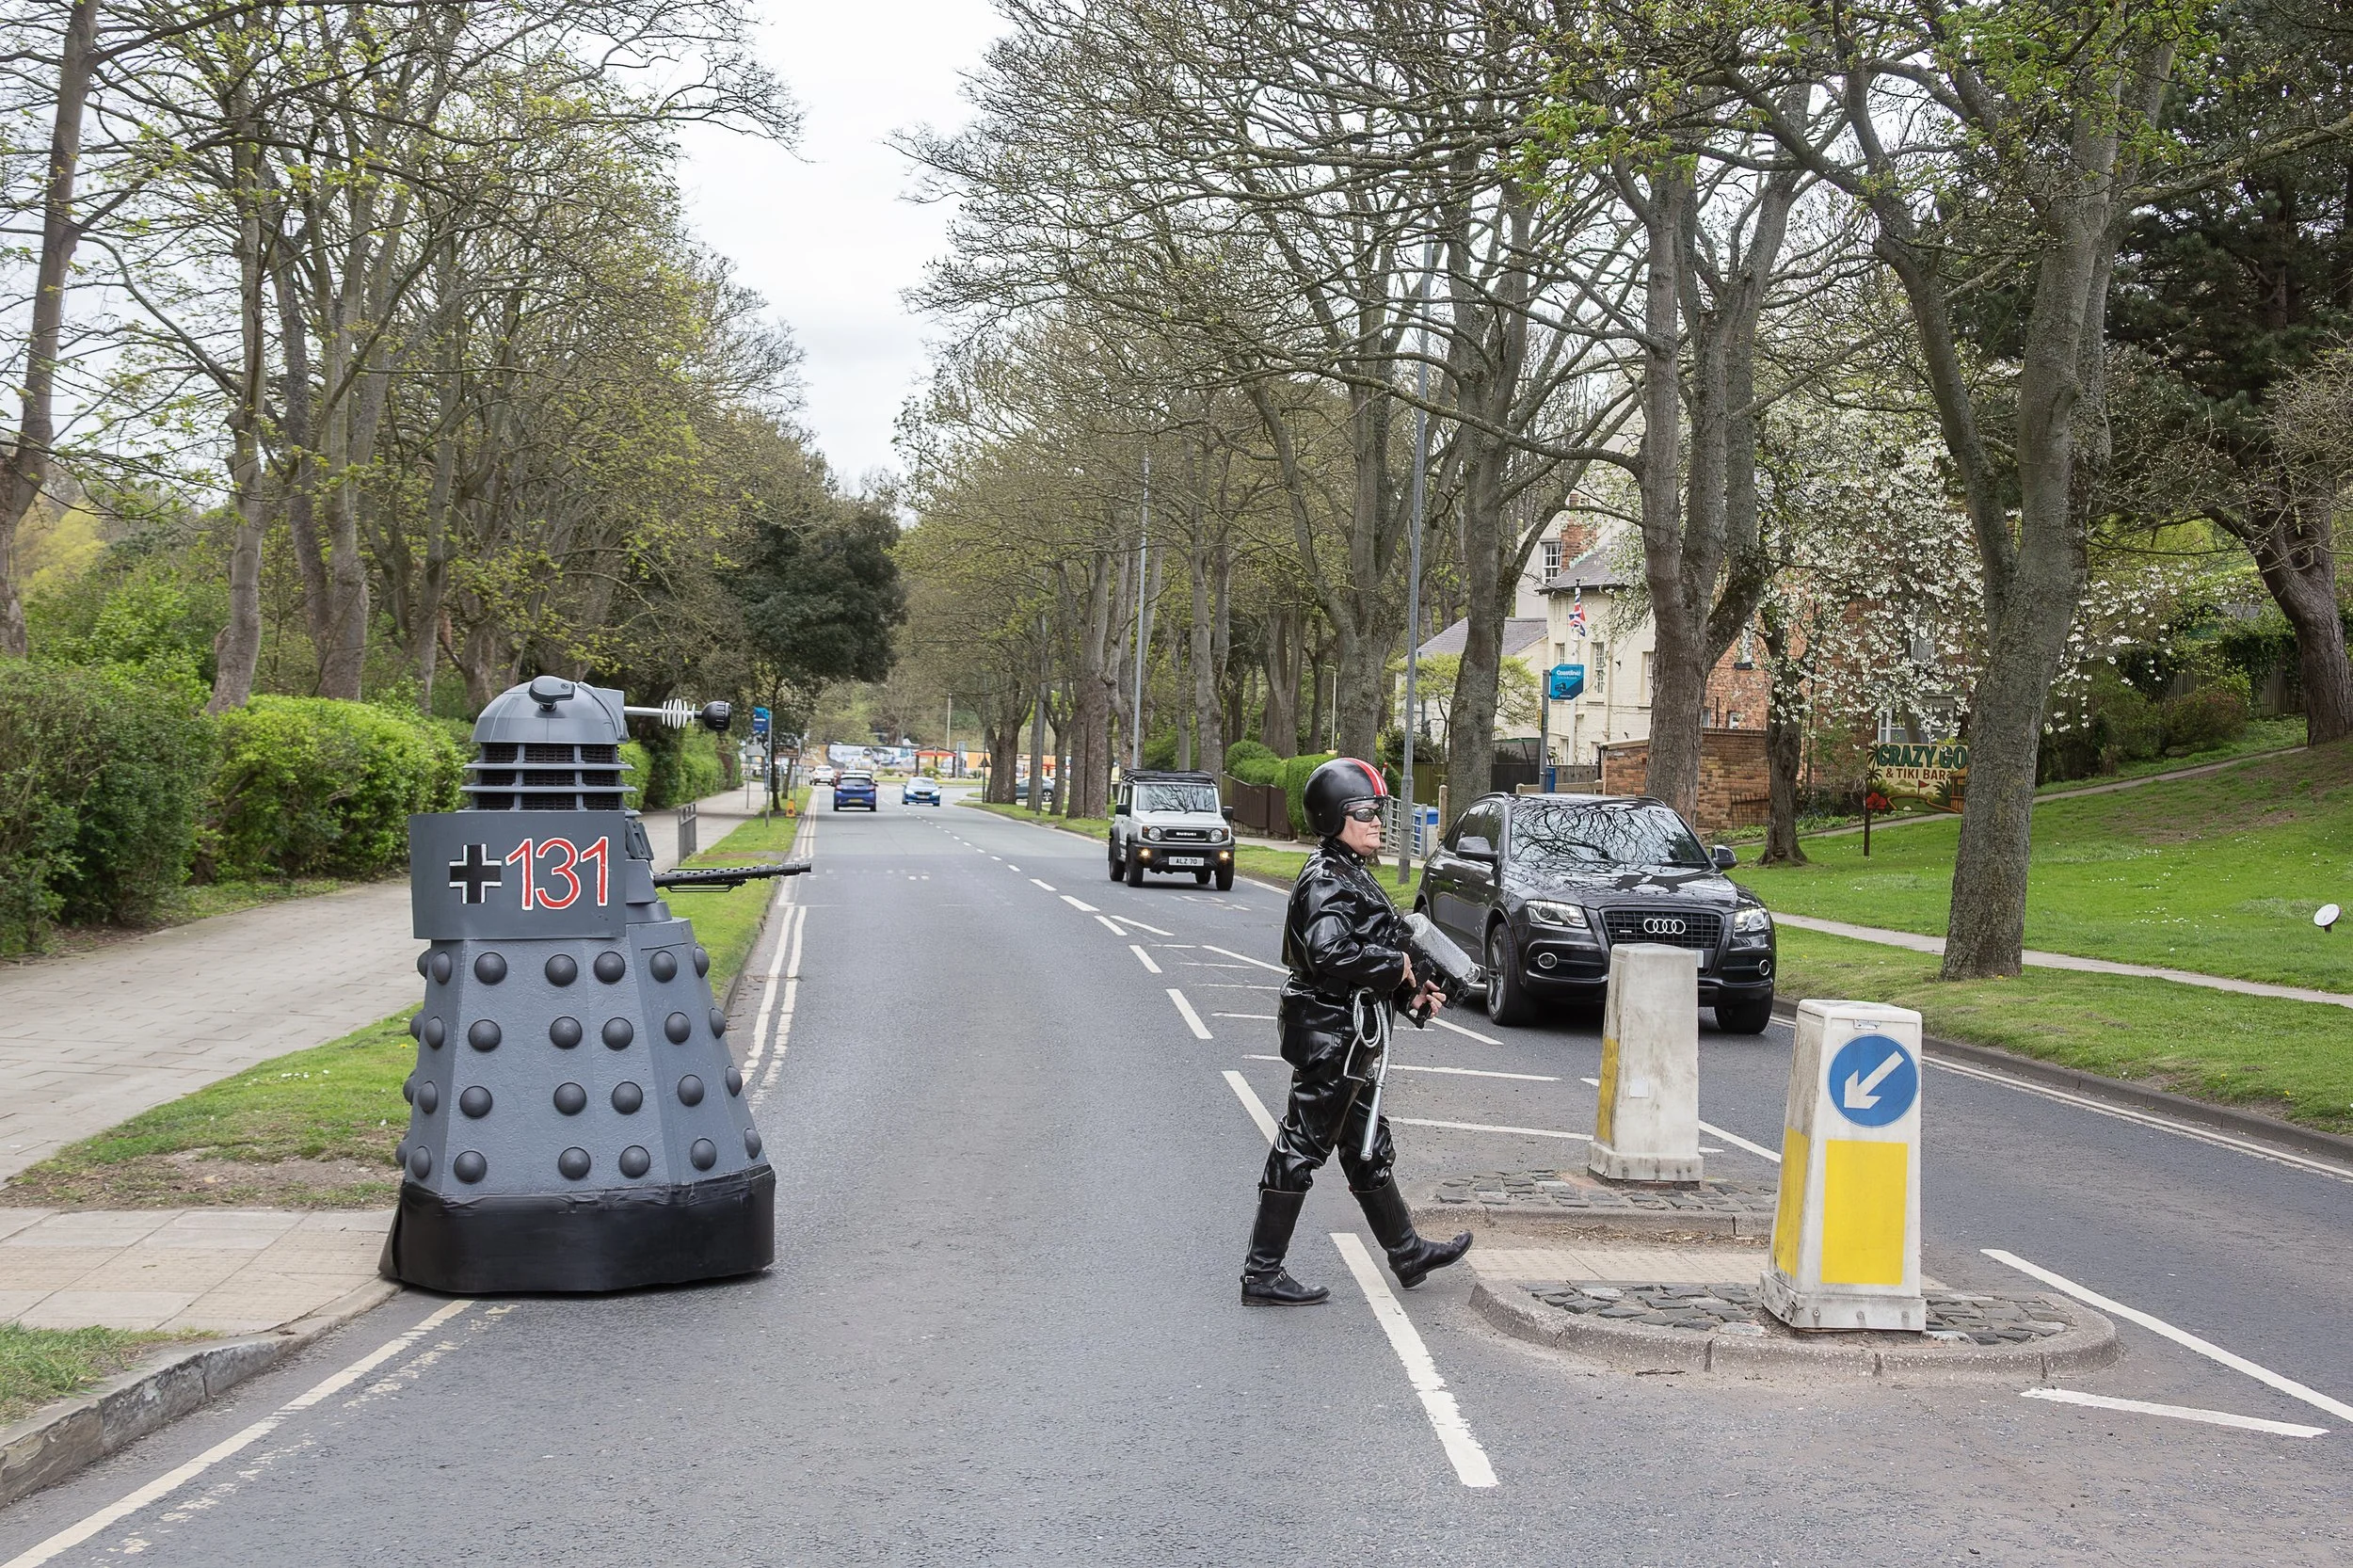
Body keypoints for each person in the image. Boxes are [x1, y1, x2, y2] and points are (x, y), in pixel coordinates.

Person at [1241, 757, 1474, 1305]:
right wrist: (1394, 967)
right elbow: (1328, 952)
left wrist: (1408, 992)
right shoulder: (1327, 880)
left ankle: (1407, 1252)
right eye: (1365, 812)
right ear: (1334, 817)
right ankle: (1261, 1273)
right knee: (1301, 1144)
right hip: (1332, 1037)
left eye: (1379, 811)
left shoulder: (1350, 872)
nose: (1377, 821)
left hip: (1350, 1034)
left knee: (1366, 1144)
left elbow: (1362, 957)